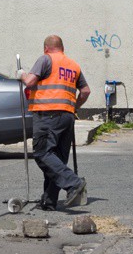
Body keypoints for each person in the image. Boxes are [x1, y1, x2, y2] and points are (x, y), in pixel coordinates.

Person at [18, 35, 90, 211]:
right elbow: (86, 91)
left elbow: (30, 82)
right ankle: (49, 202)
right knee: (56, 159)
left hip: (47, 115)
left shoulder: (45, 59)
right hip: (67, 117)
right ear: (62, 48)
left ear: (46, 48)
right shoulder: (73, 65)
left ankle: (74, 184)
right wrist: (73, 107)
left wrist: (21, 75)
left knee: (42, 153)